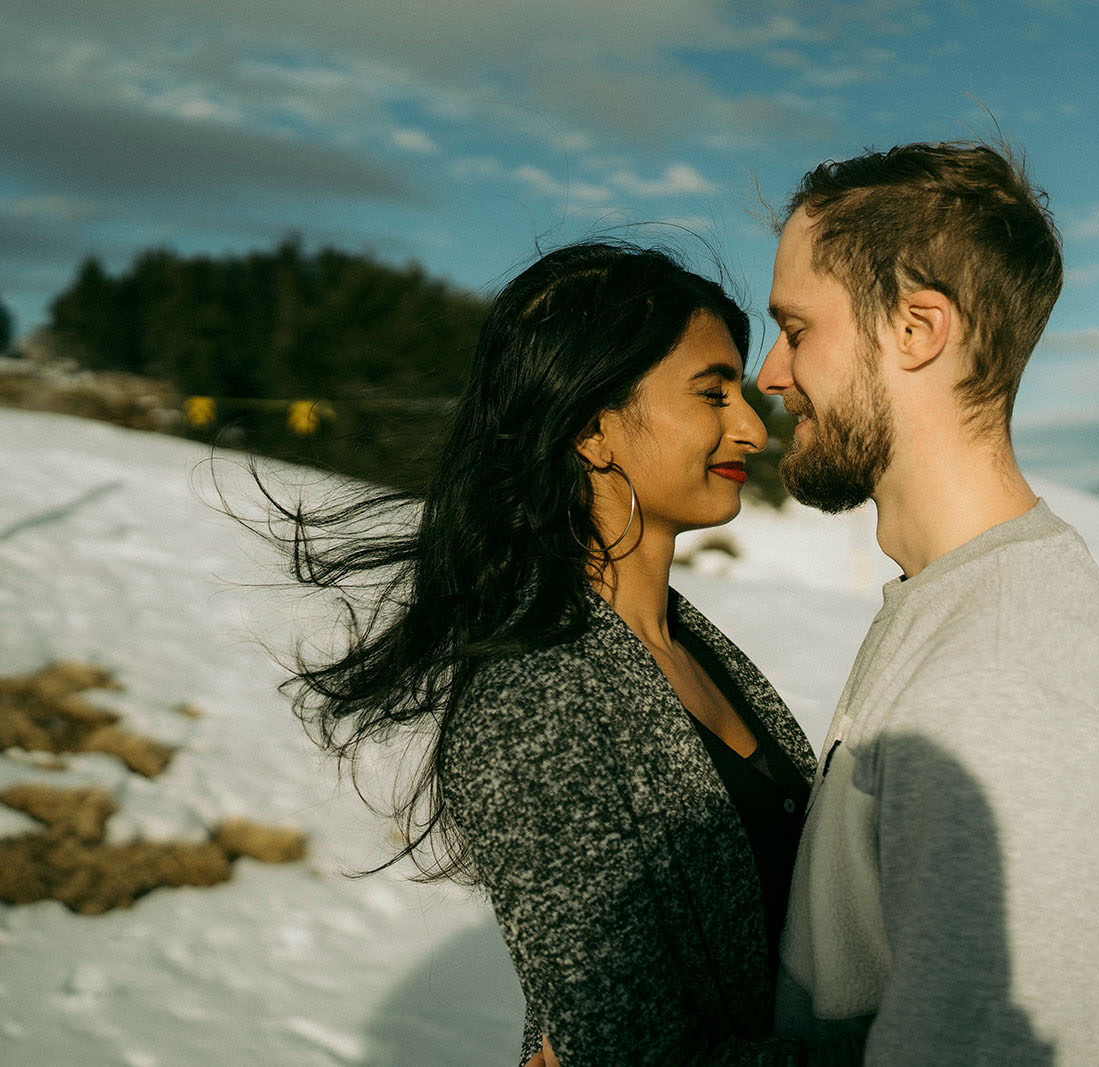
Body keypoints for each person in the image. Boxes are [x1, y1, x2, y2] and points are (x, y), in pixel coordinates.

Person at [271, 242, 814, 1066]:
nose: (749, 422)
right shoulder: (537, 702)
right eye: (713, 393)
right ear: (594, 428)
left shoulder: (684, 639)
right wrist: (925, 1044)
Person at [756, 142, 1099, 1064]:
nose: (770, 375)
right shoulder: (961, 611)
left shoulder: (1007, 677)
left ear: (917, 328)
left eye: (795, 329)